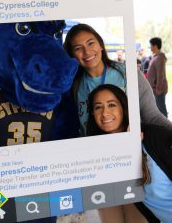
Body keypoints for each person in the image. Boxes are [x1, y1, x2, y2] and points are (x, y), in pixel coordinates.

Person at [64, 23, 172, 134]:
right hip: (95, 149)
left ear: (101, 45)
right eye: (78, 48)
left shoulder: (127, 73)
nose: (87, 51)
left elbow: (152, 116)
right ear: (72, 55)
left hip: (130, 148)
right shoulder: (72, 85)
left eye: (90, 43)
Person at [87, 84, 172, 223]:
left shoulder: (153, 136)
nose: (105, 113)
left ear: (123, 107)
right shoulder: (99, 157)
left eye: (111, 105)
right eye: (98, 107)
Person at [147, 37, 168, 117]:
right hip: (155, 88)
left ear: (155, 46)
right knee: (158, 109)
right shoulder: (155, 57)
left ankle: (167, 127)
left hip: (158, 89)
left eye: (151, 45)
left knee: (161, 109)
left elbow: (160, 74)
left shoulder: (160, 58)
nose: (150, 47)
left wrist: (158, 88)